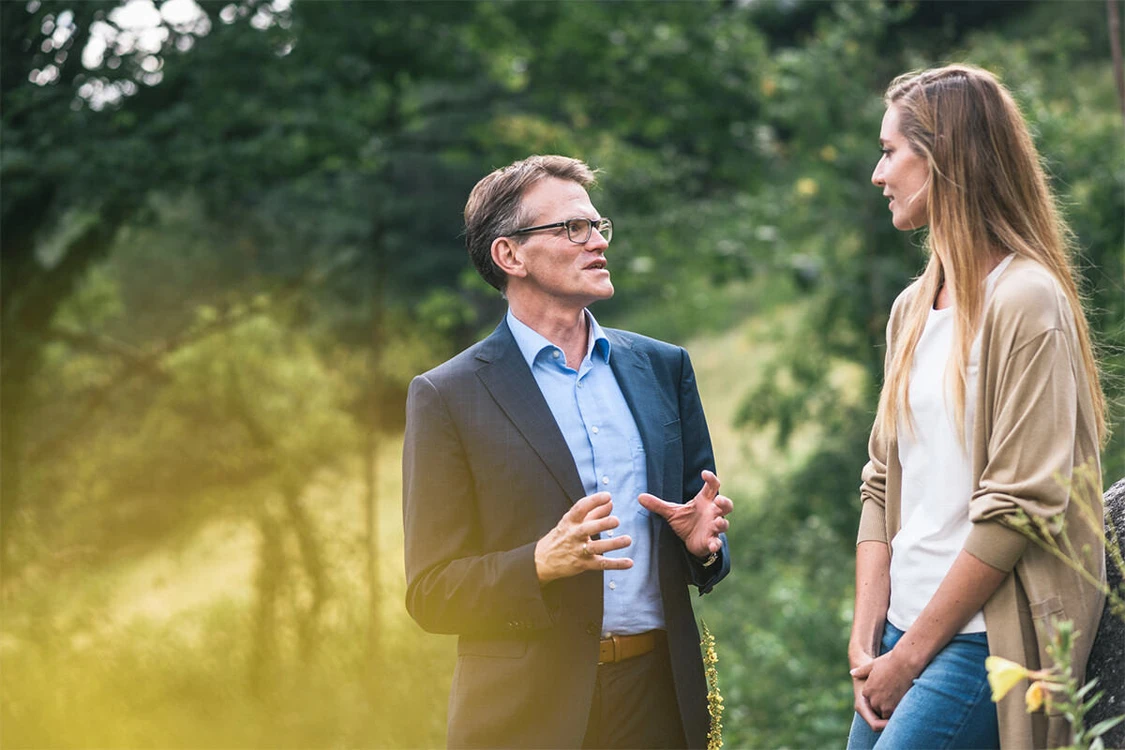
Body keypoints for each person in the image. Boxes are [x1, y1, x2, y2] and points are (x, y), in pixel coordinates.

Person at [403, 155, 733, 749]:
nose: (597, 242)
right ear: (510, 255)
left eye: (598, 226)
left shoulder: (663, 368)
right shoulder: (447, 395)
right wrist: (537, 562)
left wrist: (702, 549)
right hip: (526, 715)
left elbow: (702, 535)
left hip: (658, 700)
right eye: (571, 229)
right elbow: (431, 593)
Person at [847, 64, 1107, 749]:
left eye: (888, 151)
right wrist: (865, 637)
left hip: (981, 638)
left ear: (942, 160)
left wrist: (907, 660)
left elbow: (1017, 507)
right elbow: (880, 481)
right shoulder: (909, 310)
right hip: (899, 628)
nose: (878, 174)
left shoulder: (1026, 301)